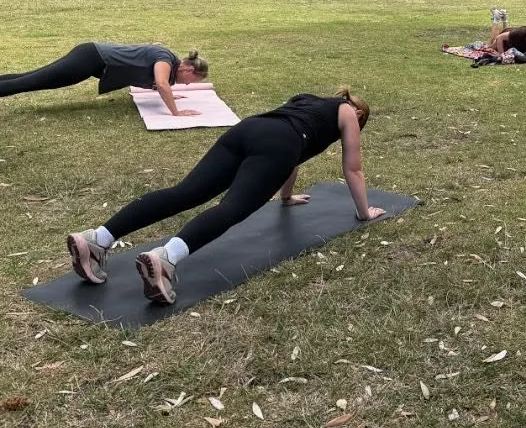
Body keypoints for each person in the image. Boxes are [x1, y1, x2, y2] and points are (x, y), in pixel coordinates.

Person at [67, 85, 387, 304]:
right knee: (232, 208)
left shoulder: (305, 100)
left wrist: (287, 197)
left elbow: (293, 157)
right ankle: (165, 259)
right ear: (360, 116)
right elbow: (353, 169)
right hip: (279, 145)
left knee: (185, 192)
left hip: (248, 130)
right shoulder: (348, 113)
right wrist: (363, 212)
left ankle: (97, 238)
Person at [0, 44, 208, 117]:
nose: (188, 84)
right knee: (33, 81)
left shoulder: (169, 64)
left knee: (33, 78)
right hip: (90, 59)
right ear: (188, 68)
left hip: (91, 59)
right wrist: (176, 112)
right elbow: (161, 84)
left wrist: (171, 95)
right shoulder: (165, 60)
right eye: (191, 80)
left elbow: (160, 85)